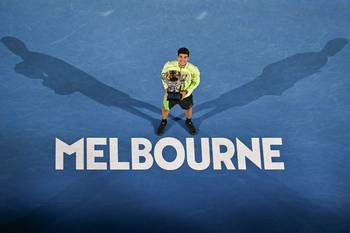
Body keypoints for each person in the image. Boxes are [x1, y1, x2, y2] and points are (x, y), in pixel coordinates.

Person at [157, 47, 200, 135]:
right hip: (171, 92)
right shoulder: (168, 65)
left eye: (185, 57)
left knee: (188, 108)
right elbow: (163, 77)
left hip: (185, 95)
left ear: (188, 58)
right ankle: (163, 122)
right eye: (180, 57)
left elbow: (196, 82)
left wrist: (186, 92)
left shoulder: (193, 69)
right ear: (177, 57)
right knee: (165, 108)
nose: (182, 59)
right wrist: (166, 89)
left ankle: (188, 121)